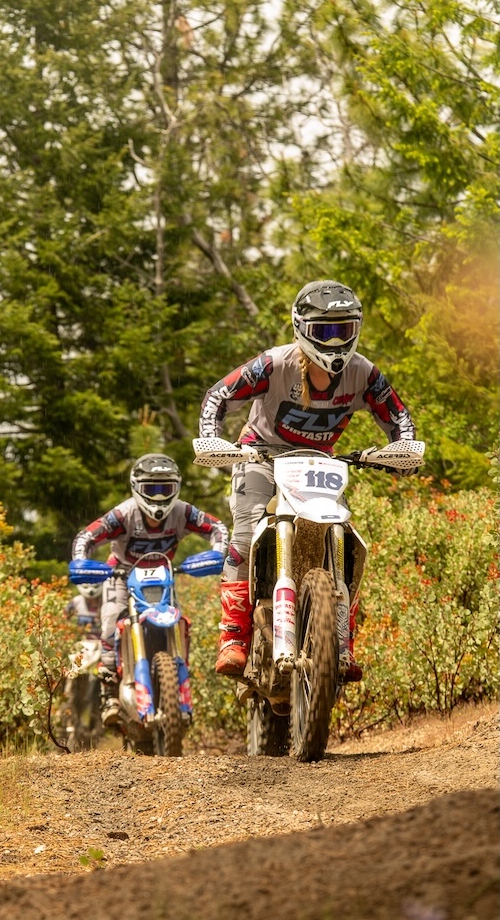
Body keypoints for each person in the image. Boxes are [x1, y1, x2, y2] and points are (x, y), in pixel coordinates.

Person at [199, 279, 417, 681]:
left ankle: (340, 640)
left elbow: (398, 416)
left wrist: (404, 449)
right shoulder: (274, 364)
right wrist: (213, 439)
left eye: (344, 330)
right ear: (301, 328)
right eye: (324, 331)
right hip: (260, 454)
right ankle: (233, 637)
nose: (334, 341)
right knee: (245, 536)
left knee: (346, 536)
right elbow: (218, 396)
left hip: (319, 461)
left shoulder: (364, 373)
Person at [72, 453, 228, 725]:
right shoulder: (123, 514)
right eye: (151, 489)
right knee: (109, 621)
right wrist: (81, 562)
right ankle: (109, 693)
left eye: (164, 489)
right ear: (136, 487)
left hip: (162, 578)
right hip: (120, 575)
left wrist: (217, 552)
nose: (158, 497)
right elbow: (87, 536)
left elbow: (217, 527)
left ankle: (179, 681)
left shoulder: (183, 511)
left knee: (180, 623)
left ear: (176, 487)